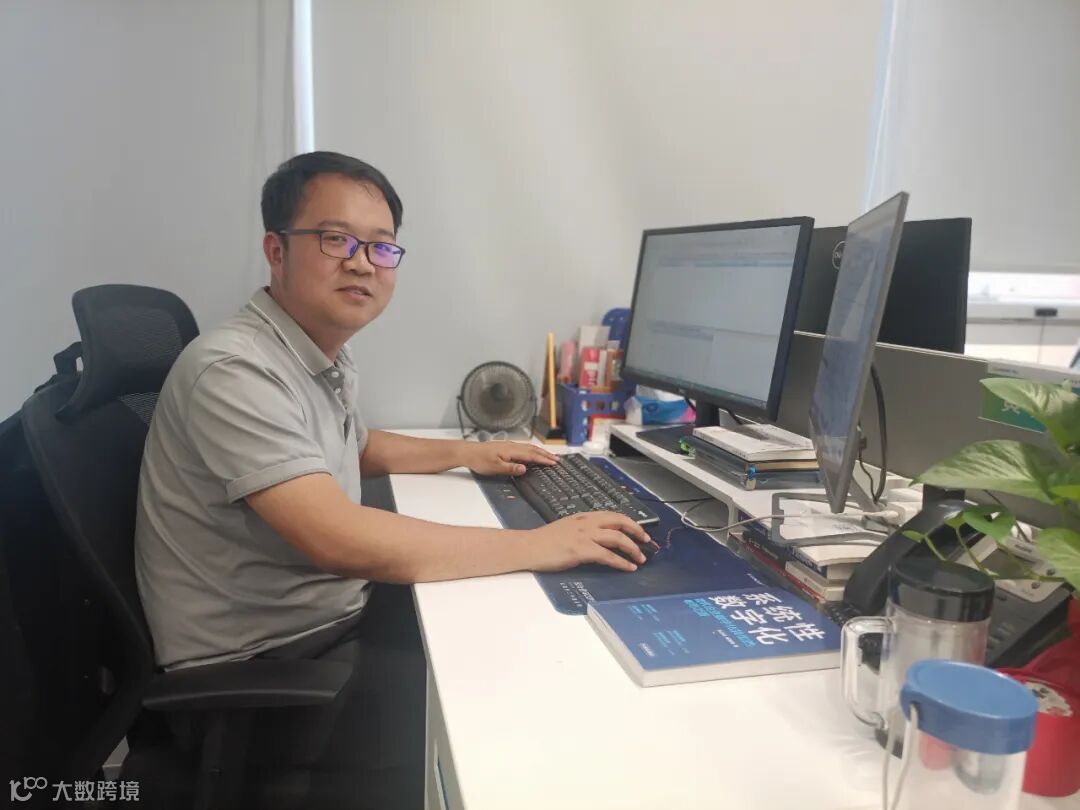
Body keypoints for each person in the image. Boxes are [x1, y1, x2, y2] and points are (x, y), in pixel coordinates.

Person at [133, 151, 651, 807]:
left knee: (515, 636)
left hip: (315, 623)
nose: (362, 263)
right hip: (264, 667)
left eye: (381, 247)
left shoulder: (310, 353)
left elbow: (357, 445)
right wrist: (539, 543)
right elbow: (339, 539)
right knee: (524, 710)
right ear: (276, 249)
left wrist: (468, 454)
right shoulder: (235, 371)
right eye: (335, 239)